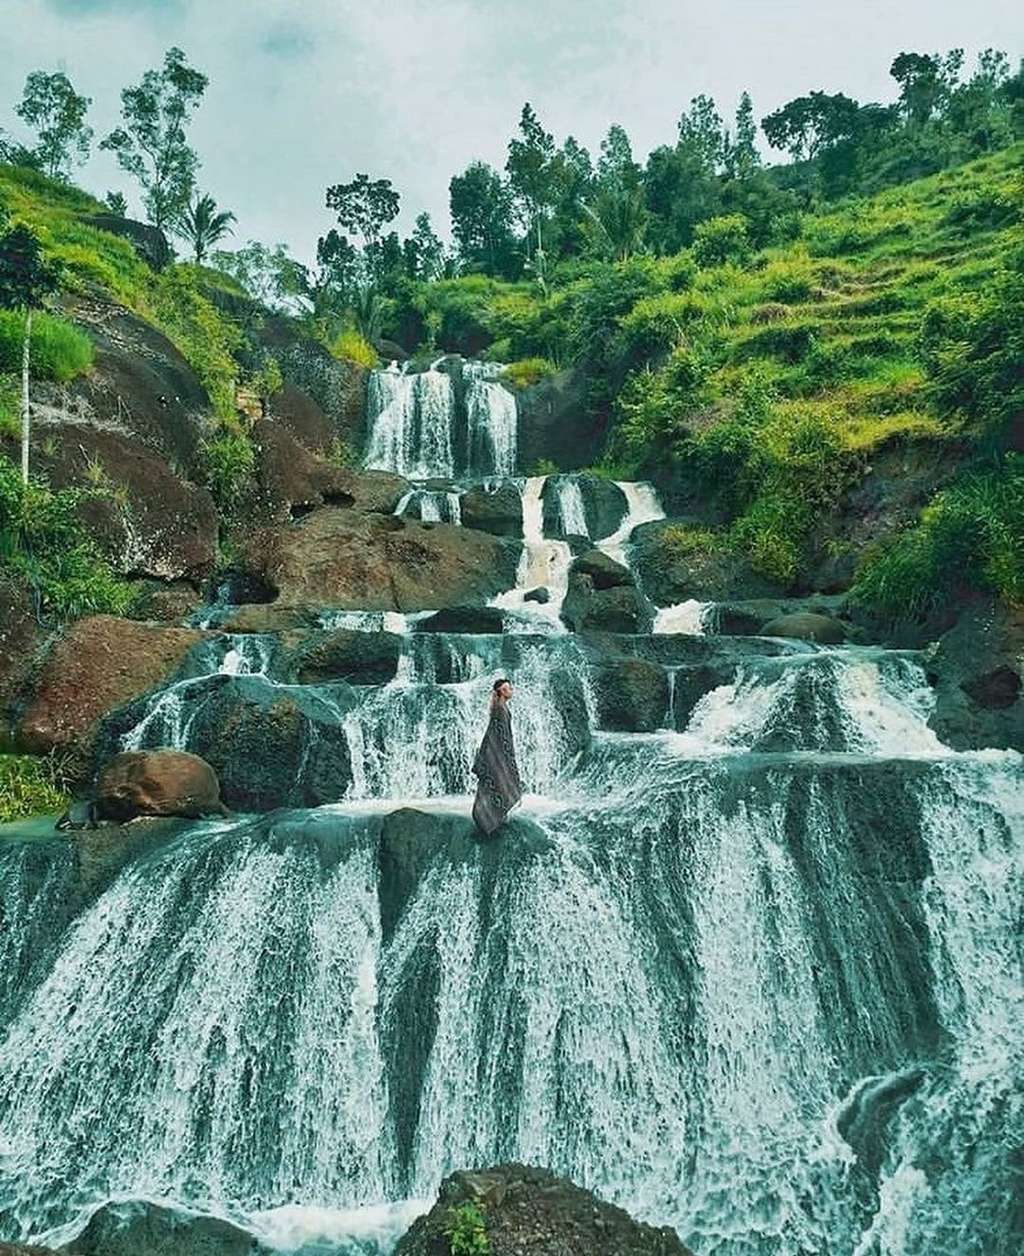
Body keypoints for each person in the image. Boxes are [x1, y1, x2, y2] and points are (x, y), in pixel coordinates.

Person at [471, 677, 522, 836]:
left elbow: (500, 734)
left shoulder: (501, 707)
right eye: (507, 688)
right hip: (498, 752)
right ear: (501, 692)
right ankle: (492, 818)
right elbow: (495, 734)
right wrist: (502, 753)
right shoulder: (500, 709)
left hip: (499, 752)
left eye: (510, 688)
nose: (511, 691)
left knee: (498, 781)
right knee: (498, 779)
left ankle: (494, 816)